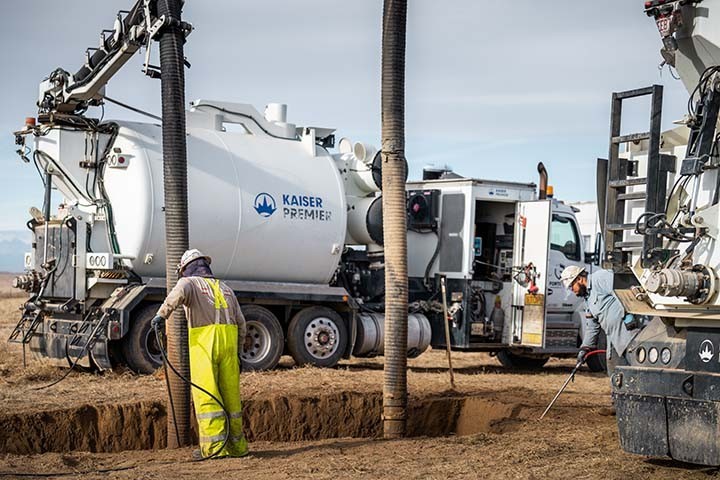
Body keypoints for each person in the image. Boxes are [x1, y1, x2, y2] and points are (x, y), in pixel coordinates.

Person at [152, 248, 248, 460]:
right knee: (231, 398)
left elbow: (175, 296)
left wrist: (160, 316)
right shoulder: (225, 288)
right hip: (229, 346)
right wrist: (238, 352)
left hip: (205, 345)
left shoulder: (188, 283)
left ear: (185, 268)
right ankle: (237, 447)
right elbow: (242, 324)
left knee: (207, 396)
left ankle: (214, 449)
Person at [561, 265, 643, 374]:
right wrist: (584, 348)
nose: (572, 290)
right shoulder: (587, 300)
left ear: (579, 279)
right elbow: (592, 327)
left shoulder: (601, 278)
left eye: (572, 286)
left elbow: (624, 290)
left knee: (637, 372)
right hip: (614, 341)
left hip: (630, 335)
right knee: (615, 374)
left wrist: (628, 315)